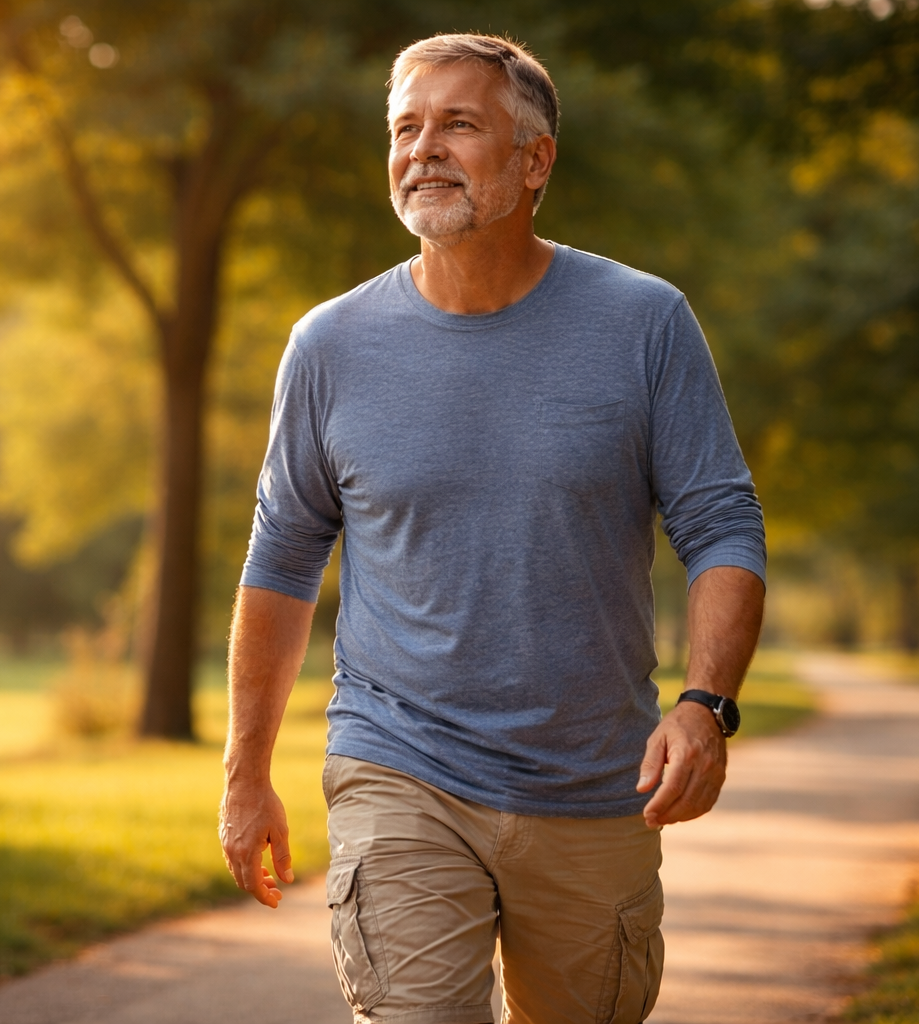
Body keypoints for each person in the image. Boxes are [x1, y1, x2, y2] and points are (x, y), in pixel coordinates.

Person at [217, 32, 767, 1024]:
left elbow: (721, 522)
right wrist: (245, 772)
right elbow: (284, 554)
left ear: (535, 159)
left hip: (597, 778)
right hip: (400, 762)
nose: (422, 148)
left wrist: (705, 703)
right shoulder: (328, 345)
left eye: (457, 124)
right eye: (404, 128)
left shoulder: (645, 322)